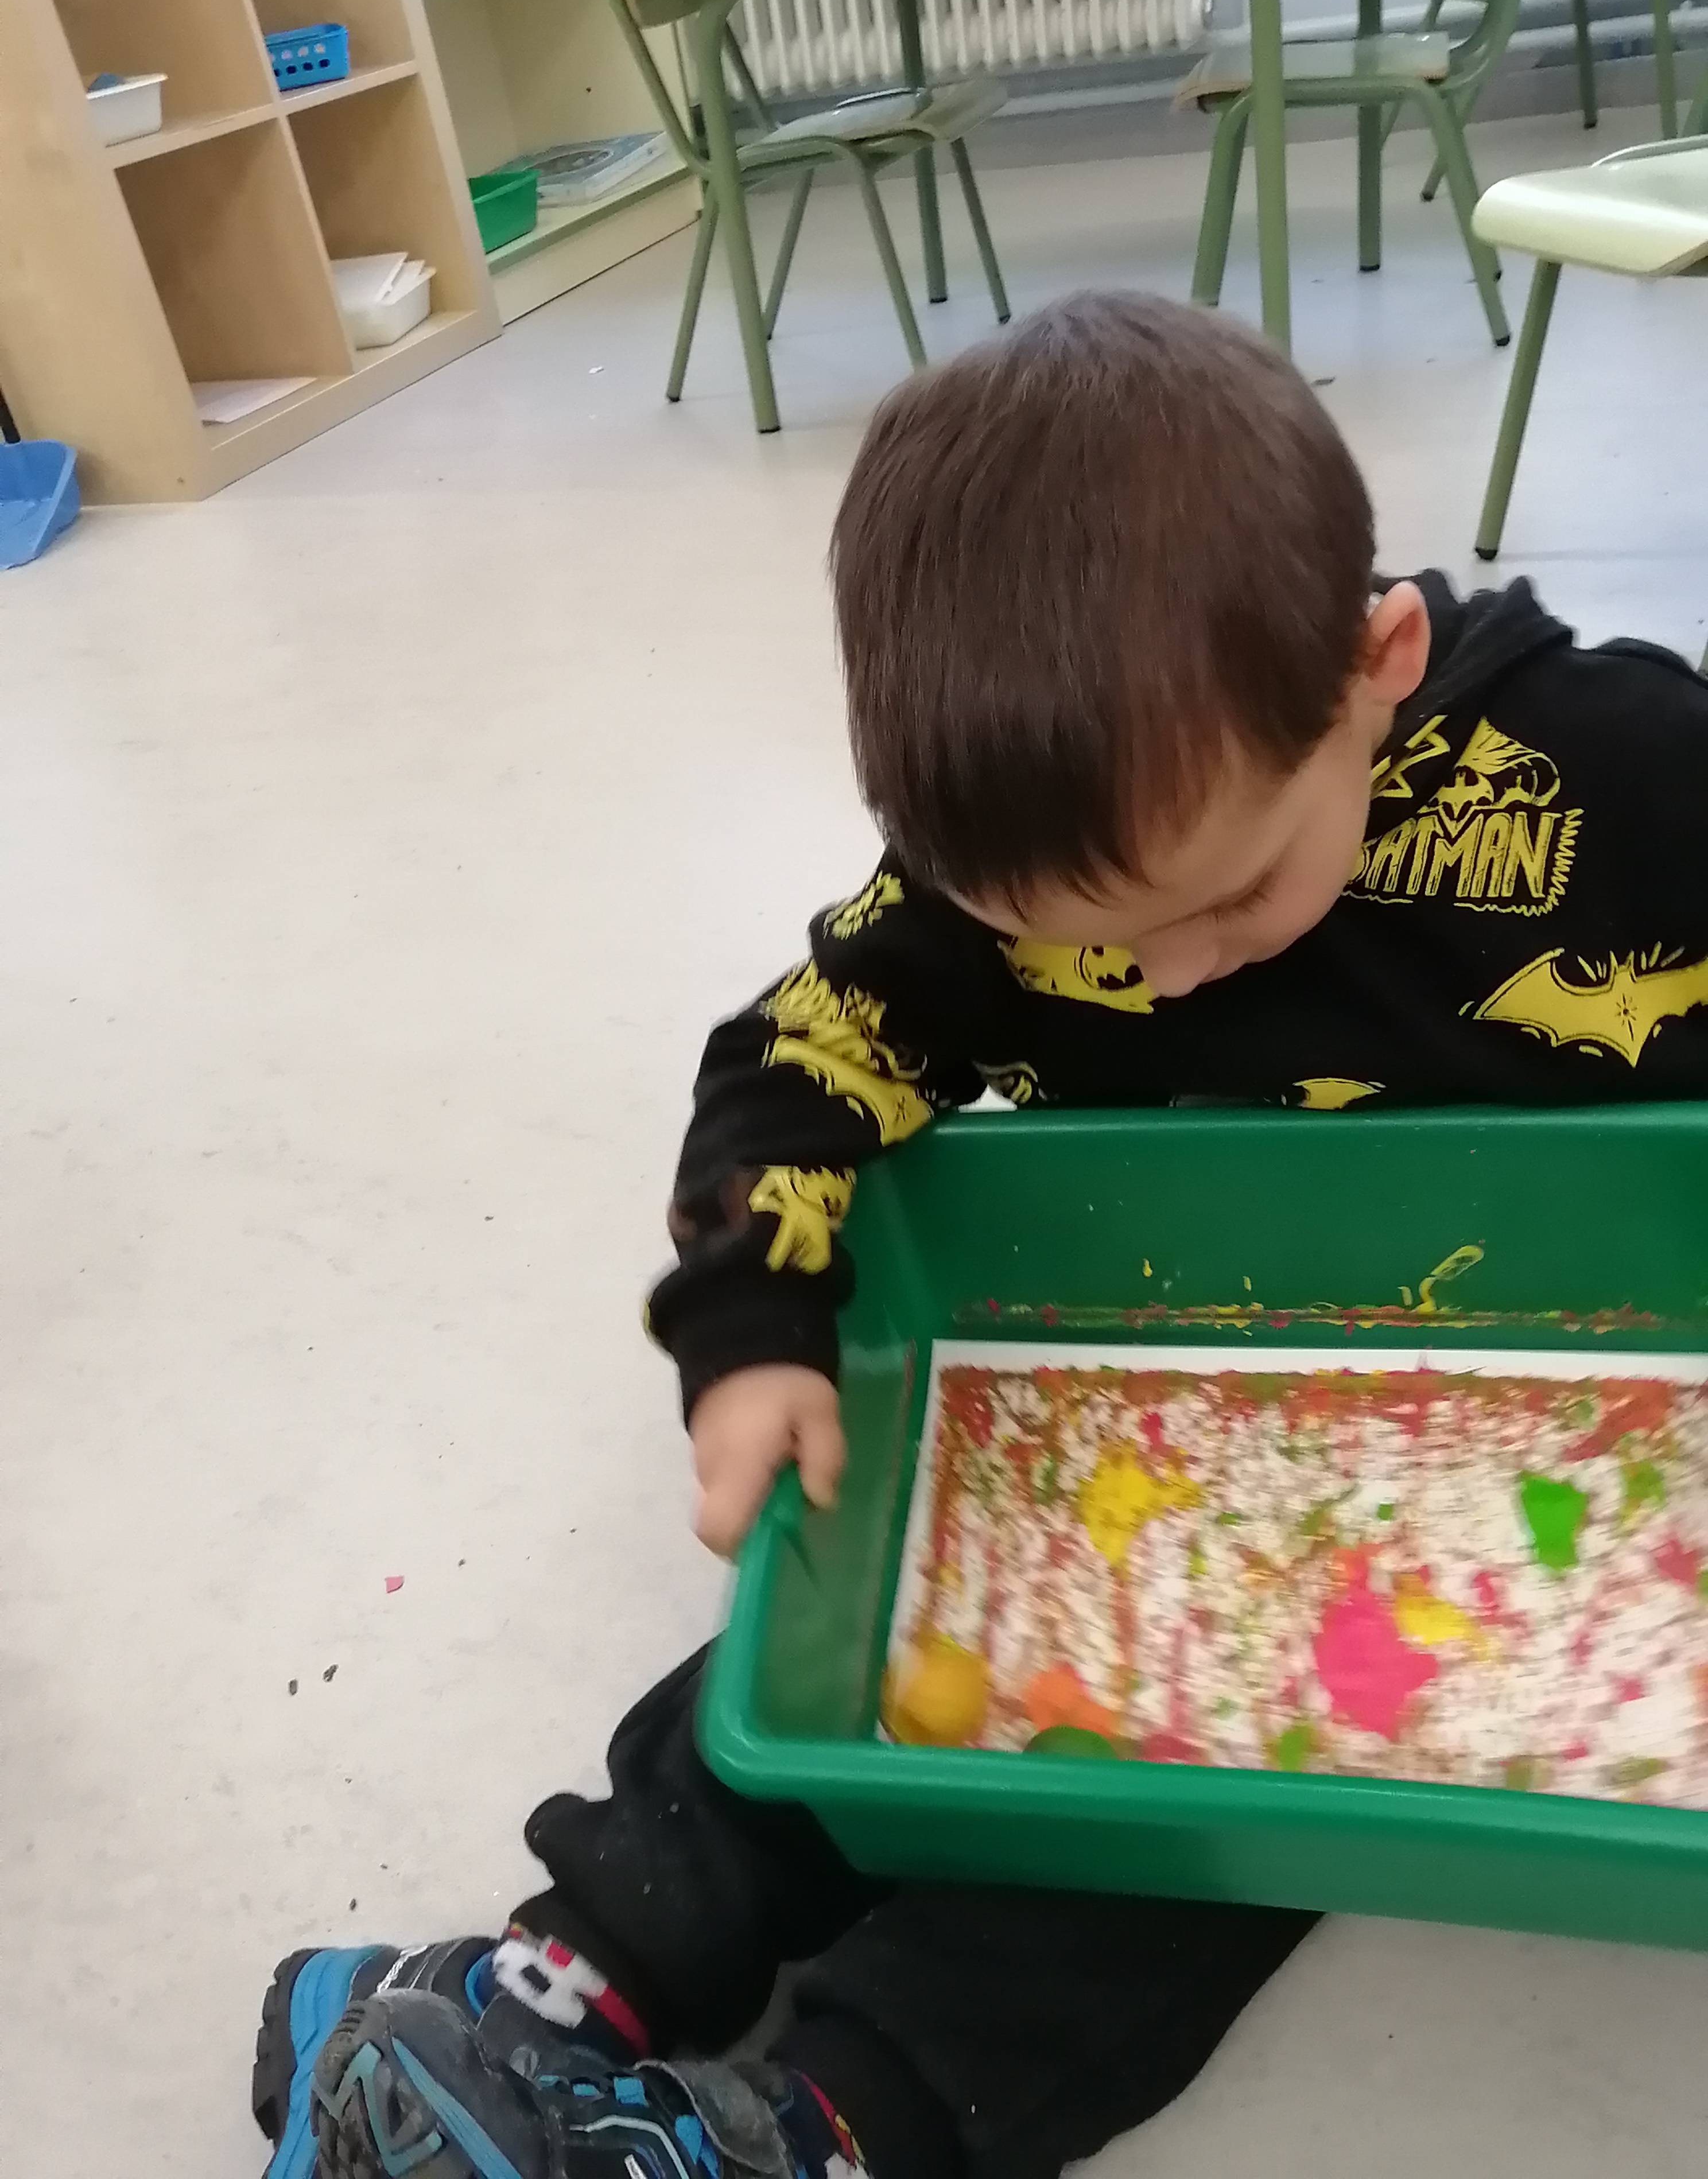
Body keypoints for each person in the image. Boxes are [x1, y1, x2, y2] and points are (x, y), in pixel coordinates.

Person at [253, 293, 1708, 2179]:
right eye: (1083, 947)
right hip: (1142, 1395)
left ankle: (809, 2132)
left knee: (1182, 1837)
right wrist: (750, 1331)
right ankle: (547, 1987)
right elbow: (792, 1062)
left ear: (1378, 669)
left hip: (1510, 1444)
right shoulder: (1008, 870)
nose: (1168, 979)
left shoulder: (1629, 775)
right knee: (834, 1665)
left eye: (1232, 899)